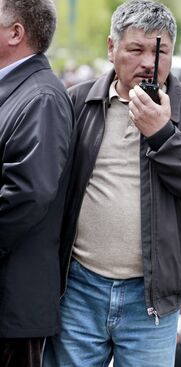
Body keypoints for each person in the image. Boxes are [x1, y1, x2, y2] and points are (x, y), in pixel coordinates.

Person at [42, 1, 181, 366]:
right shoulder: (78, 103)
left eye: (159, 50)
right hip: (79, 287)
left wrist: (163, 135)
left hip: (153, 299)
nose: (149, 61)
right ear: (112, 48)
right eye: (136, 49)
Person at [0, 1, 74, 366]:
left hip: (12, 305)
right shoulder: (18, 91)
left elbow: (28, 193)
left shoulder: (41, 97)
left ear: (16, 32)